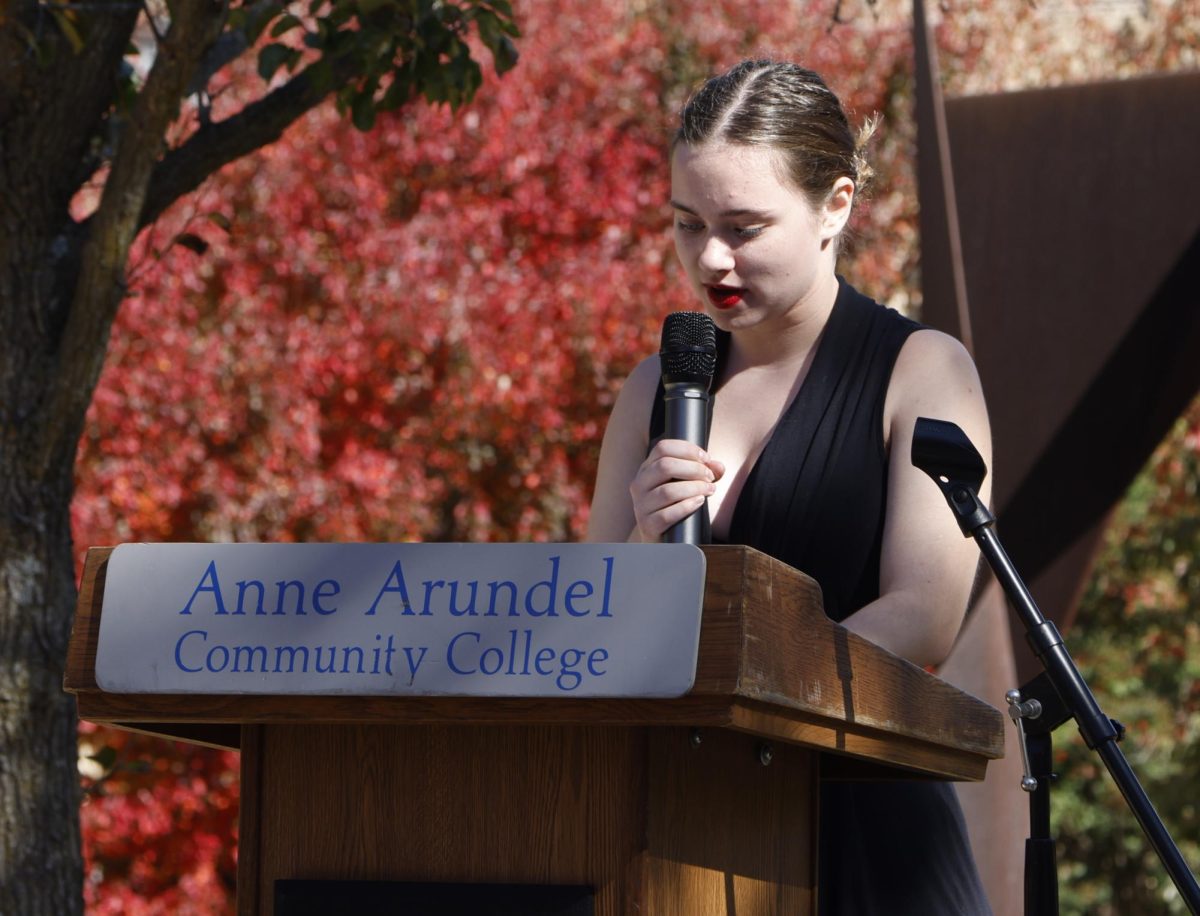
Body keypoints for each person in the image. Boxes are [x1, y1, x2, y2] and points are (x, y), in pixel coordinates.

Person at [585, 59, 994, 914]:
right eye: (687, 223)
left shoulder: (921, 370)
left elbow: (925, 612)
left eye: (744, 225)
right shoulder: (653, 387)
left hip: (866, 822)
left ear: (834, 207)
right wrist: (637, 546)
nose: (712, 258)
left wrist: (744, 697)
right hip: (684, 833)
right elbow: (596, 621)